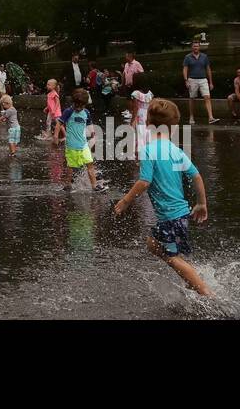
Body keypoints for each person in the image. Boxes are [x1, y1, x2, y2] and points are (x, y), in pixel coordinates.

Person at [113, 98, 212, 296]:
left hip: (169, 216)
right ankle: (191, 279)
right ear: (173, 127)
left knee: (171, 257)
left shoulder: (149, 150)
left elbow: (144, 182)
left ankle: (207, 294)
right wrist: (201, 203)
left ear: (147, 124)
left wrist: (125, 201)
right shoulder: (176, 151)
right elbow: (196, 176)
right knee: (153, 244)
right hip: (180, 213)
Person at [58, 88, 106, 191]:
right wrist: (55, 136)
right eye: (77, 105)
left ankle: (94, 186)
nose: (79, 108)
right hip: (71, 145)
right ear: (73, 102)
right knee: (71, 167)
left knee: (90, 163)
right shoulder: (68, 112)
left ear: (85, 104)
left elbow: (89, 123)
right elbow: (59, 123)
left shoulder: (86, 112)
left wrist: (92, 132)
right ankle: (68, 184)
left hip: (83, 144)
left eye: (82, 106)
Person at [181, 41, 218, 125]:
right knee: (192, 98)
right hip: (192, 79)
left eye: (197, 46)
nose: (196, 48)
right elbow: (185, 69)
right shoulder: (188, 57)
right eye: (194, 46)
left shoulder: (204, 57)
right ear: (192, 47)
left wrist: (211, 82)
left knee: (207, 97)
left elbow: (208, 69)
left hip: (203, 79)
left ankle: (211, 117)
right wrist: (186, 80)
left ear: (199, 47)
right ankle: (191, 116)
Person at [130, 81, 154, 155]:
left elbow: (135, 107)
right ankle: (148, 147)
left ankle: (140, 149)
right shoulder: (150, 93)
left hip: (140, 113)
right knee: (147, 130)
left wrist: (133, 119)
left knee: (139, 131)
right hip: (147, 113)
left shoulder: (136, 93)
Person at [121, 52, 143, 119]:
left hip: (134, 84)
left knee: (135, 99)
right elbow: (124, 73)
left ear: (130, 57)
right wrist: (123, 83)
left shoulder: (137, 63)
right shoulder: (126, 64)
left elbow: (142, 72)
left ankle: (135, 112)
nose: (125, 58)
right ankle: (130, 112)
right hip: (127, 84)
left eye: (126, 56)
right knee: (128, 99)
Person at [42, 78, 62, 143]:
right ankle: (48, 134)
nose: (47, 86)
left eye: (49, 85)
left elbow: (57, 102)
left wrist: (54, 110)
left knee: (59, 123)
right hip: (51, 111)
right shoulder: (49, 94)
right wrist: (46, 108)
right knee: (48, 122)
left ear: (53, 86)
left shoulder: (55, 94)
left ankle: (65, 135)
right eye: (47, 84)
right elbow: (50, 103)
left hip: (55, 112)